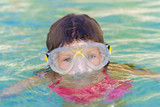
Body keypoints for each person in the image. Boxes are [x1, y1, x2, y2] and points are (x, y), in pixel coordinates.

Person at [0, 14, 159, 105]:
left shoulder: (114, 70)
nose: (81, 67)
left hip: (111, 99)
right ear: (52, 61)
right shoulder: (50, 75)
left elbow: (152, 76)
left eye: (90, 56)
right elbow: (12, 91)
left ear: (103, 54)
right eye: (67, 59)